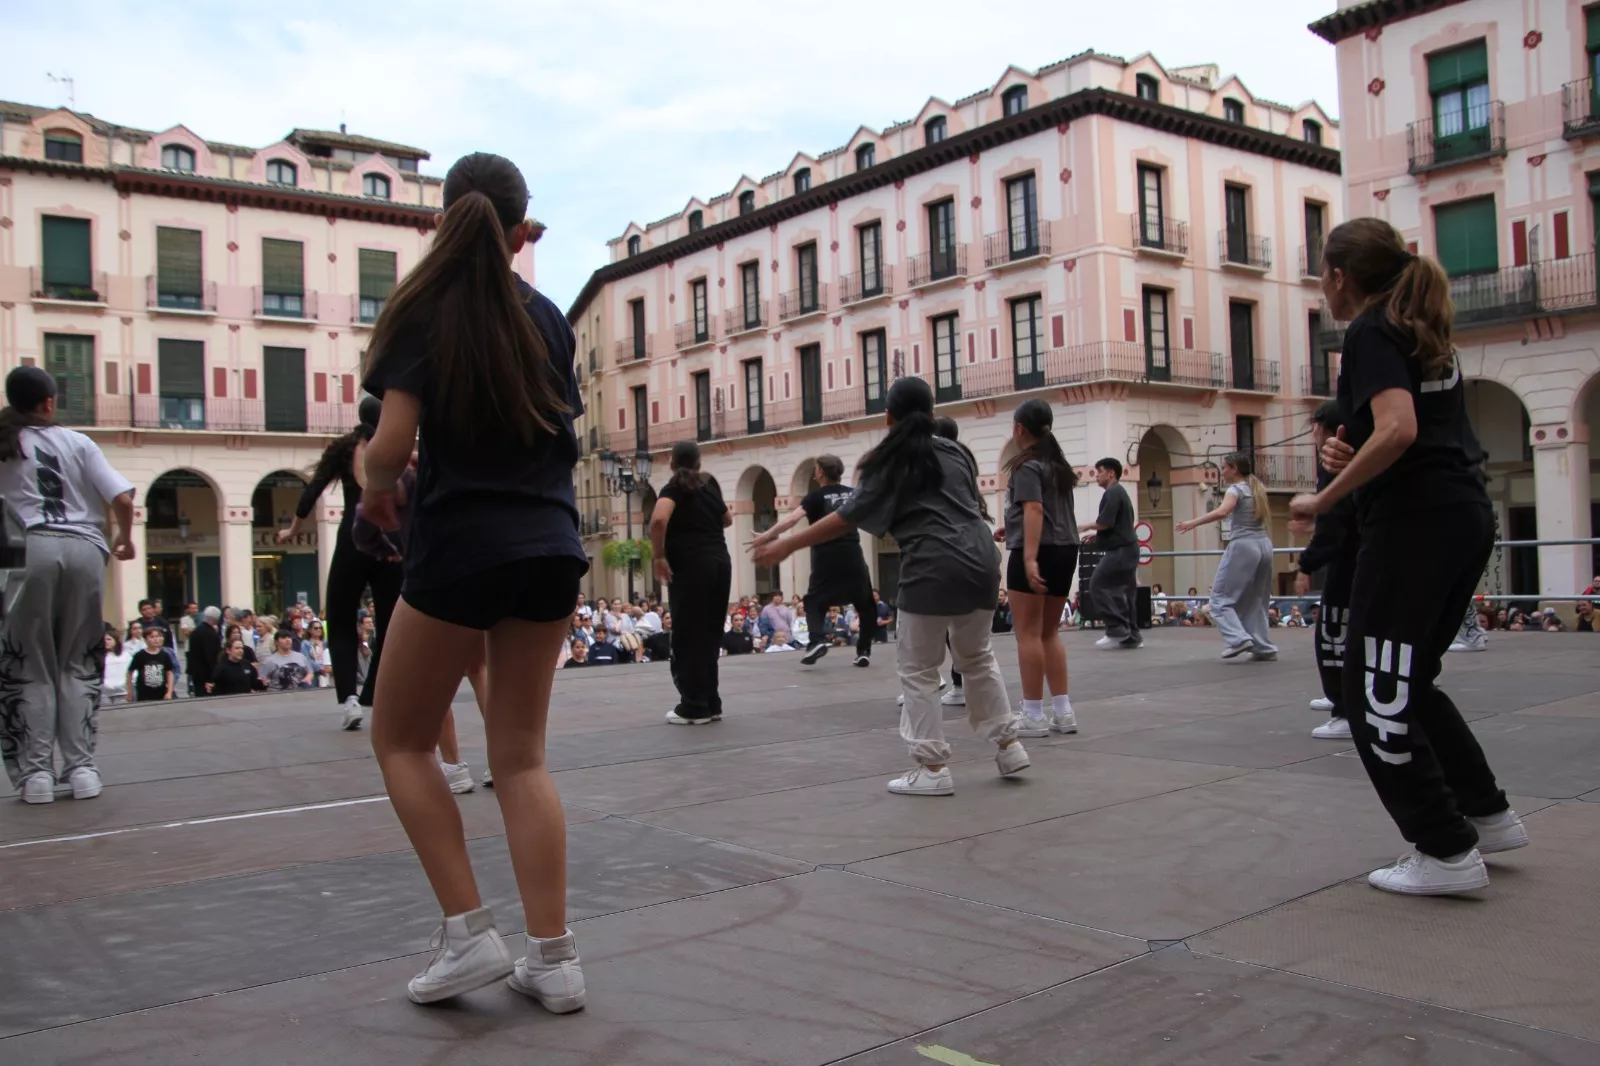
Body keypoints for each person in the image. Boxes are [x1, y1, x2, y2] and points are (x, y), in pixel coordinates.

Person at [359, 152, 587, 1009]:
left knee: (402, 741)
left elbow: (390, 449)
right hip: (550, 545)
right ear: (521, 230)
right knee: (522, 759)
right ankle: (554, 960)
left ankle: (468, 934)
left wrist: (373, 483)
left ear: (442, 218)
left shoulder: (423, 305)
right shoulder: (548, 317)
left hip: (460, 547)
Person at [1290, 217, 1522, 896]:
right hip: (1461, 513)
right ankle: (1487, 814)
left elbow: (1398, 429)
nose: (1322, 287)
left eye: (1323, 274)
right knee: (1409, 679)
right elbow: (1401, 429)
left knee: (1373, 690)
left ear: (1340, 276)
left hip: (1416, 525)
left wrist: (1325, 495)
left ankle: (1445, 850)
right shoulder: (1421, 329)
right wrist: (1350, 448)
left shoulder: (1370, 330)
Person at [754, 376, 1027, 796]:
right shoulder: (957, 451)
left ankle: (933, 769)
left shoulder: (887, 461)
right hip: (982, 560)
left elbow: (849, 515)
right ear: (932, 414)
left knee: (919, 670)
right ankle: (1009, 747)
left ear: (887, 417)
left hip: (932, 565)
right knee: (977, 657)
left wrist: (787, 544)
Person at [0, 366, 136, 804]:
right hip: (85, 550)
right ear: (49, 402)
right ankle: (82, 769)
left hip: (27, 549)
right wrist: (125, 539)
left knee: (29, 663)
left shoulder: (5, 443)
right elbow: (122, 499)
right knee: (78, 661)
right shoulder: (79, 442)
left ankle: (37, 775)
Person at [281, 395, 402, 730]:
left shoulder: (345, 448)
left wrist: (293, 529)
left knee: (340, 615)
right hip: (391, 540)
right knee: (391, 621)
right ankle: (375, 691)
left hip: (354, 537)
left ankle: (350, 698)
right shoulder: (396, 446)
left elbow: (313, 490)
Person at [994, 398, 1081, 737]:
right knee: (1049, 632)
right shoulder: (1058, 465)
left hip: (1039, 550)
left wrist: (1029, 557)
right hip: (1065, 548)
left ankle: (1033, 713)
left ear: (1019, 429)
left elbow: (1034, 509)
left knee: (1027, 633)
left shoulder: (1027, 466)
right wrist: (1012, 527)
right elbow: (1046, 511)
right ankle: (1063, 711)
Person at [752, 455, 878, 668]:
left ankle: (817, 641)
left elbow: (792, 519)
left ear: (820, 473)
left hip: (825, 555)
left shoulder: (815, 497)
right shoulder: (852, 493)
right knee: (865, 603)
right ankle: (864, 650)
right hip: (852, 553)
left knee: (813, 601)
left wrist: (767, 535)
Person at [650, 440, 733, 724]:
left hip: (691, 566)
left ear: (672, 462)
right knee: (710, 634)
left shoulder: (674, 488)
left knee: (687, 634)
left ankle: (694, 706)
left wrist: (659, 556)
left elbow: (658, 520)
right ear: (699, 462)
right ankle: (711, 702)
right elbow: (728, 519)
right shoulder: (708, 489)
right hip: (720, 564)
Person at [1293, 401, 1356, 739]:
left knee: (1333, 634)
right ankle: (1346, 701)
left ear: (1323, 427)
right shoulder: (1352, 460)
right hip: (1360, 556)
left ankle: (1346, 710)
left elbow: (1335, 521)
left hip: (1350, 560)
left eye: (1314, 428)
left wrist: (1305, 566)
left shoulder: (1334, 462)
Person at [1178, 453, 1278, 661]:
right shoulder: (1257, 488)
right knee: (1256, 600)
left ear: (1234, 469)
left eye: (1224, 467)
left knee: (1220, 599)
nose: (1221, 472)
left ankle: (1238, 639)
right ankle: (1263, 647)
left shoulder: (1235, 489)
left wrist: (1192, 523)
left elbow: (1222, 512)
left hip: (1243, 545)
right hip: (1264, 545)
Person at [1081, 458, 1141, 649]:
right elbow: (1118, 525)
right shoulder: (1119, 492)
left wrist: (1084, 527)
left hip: (1120, 550)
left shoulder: (1113, 492)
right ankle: (1131, 636)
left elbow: (1105, 522)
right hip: (1129, 548)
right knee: (1125, 592)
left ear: (1111, 473)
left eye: (1100, 471)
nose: (1096, 475)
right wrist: (1097, 537)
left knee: (1098, 584)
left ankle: (1116, 629)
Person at [128, 627, 176, 702]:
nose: (155, 639)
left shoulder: (164, 655)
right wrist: (129, 692)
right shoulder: (140, 655)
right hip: (144, 693)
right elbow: (130, 672)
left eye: (157, 636)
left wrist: (169, 692)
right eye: (152, 637)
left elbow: (169, 673)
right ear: (145, 639)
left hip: (161, 692)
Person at [187, 606, 223, 698]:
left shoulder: (196, 631)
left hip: (196, 672)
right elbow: (212, 656)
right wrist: (216, 674)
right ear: (215, 620)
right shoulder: (211, 634)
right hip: (207, 674)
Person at [100, 630, 133, 707]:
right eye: (104, 640)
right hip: (104, 693)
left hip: (122, 692)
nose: (106, 642)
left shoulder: (126, 655)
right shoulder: (100, 657)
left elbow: (132, 672)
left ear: (116, 640)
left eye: (109, 639)